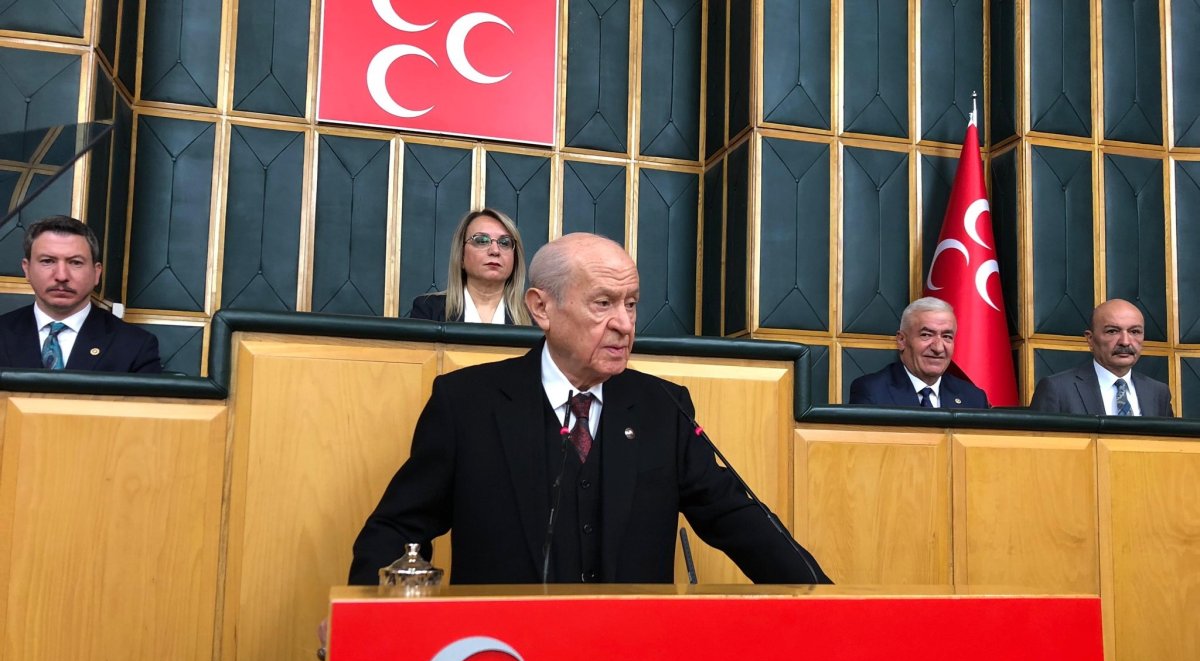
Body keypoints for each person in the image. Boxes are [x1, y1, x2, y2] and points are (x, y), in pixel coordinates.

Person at [350, 233, 830, 585]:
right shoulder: (467, 403)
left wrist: (829, 602)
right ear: (542, 308)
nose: (624, 324)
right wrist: (366, 614)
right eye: (603, 303)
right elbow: (398, 527)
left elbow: (737, 519)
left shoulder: (663, 407)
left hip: (630, 654)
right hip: (506, 653)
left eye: (632, 304)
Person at [0, 215, 161, 373]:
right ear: (27, 269)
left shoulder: (135, 346)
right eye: (47, 261)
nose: (61, 276)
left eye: (75, 262)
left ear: (96, 273)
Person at [1029, 299, 1172, 416]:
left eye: (1135, 332)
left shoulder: (1158, 392)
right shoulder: (1057, 389)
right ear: (1090, 339)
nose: (1125, 341)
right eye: (1112, 331)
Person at [848, 297, 988, 408]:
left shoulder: (973, 398)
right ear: (901, 340)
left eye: (947, 337)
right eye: (926, 335)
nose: (938, 348)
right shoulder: (872, 392)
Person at [409, 208, 531, 325]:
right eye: (482, 241)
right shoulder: (429, 310)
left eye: (505, 242)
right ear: (461, 256)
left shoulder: (535, 316)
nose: (495, 250)